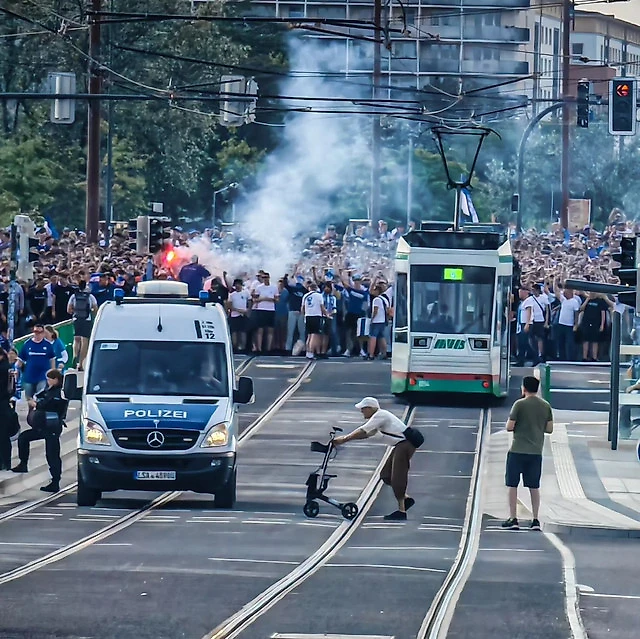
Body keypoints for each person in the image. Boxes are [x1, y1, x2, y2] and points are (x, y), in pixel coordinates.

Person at [333, 396, 422, 521]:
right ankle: (406, 499)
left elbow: (363, 430)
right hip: (400, 445)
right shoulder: (379, 419)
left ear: (370, 408)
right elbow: (367, 434)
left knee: (398, 476)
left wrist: (344, 439)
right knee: (385, 475)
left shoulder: (380, 415)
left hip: (404, 445)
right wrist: (345, 439)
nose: (361, 411)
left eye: (363, 409)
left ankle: (401, 511)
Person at [502, 375, 554, 531]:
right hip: (535, 452)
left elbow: (509, 426)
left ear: (523, 388)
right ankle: (535, 519)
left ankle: (513, 518)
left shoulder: (519, 404)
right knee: (533, 486)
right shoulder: (545, 406)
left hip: (517, 450)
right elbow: (549, 429)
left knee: (512, 485)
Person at [12, 369, 67, 492]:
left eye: (49, 379)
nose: (48, 381)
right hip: (43, 426)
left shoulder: (60, 392)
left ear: (55, 379)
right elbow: (42, 396)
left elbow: (49, 404)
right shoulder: (50, 390)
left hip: (52, 426)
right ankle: (23, 463)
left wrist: (36, 403)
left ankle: (55, 481)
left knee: (52, 454)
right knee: (24, 437)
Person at [18, 323, 56, 400]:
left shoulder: (48, 345)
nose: (37, 334)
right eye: (35, 332)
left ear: (43, 333)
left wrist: (52, 372)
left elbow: (52, 359)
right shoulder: (27, 344)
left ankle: (38, 410)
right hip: (29, 376)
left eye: (39, 332)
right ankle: (31, 411)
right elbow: (21, 359)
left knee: (40, 396)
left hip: (42, 375)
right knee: (29, 398)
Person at [67, 280, 98, 371]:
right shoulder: (90, 297)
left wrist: (75, 312)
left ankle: (75, 356)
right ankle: (81, 363)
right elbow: (95, 309)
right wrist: (90, 312)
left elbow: (69, 310)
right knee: (85, 341)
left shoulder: (74, 296)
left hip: (76, 319)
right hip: (86, 319)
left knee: (76, 339)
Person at [0, 348, 17, 470]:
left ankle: (3, 462)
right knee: (4, 435)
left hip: (2, 404)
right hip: (5, 404)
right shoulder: (9, 368)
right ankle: (6, 462)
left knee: (2, 435)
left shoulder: (3, 369)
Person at [301, 282, 327, 360]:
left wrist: (304, 315)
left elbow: (302, 308)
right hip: (316, 316)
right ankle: (311, 352)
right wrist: (326, 314)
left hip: (308, 316)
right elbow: (322, 307)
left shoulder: (305, 296)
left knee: (309, 335)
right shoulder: (319, 296)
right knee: (314, 335)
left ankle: (308, 351)